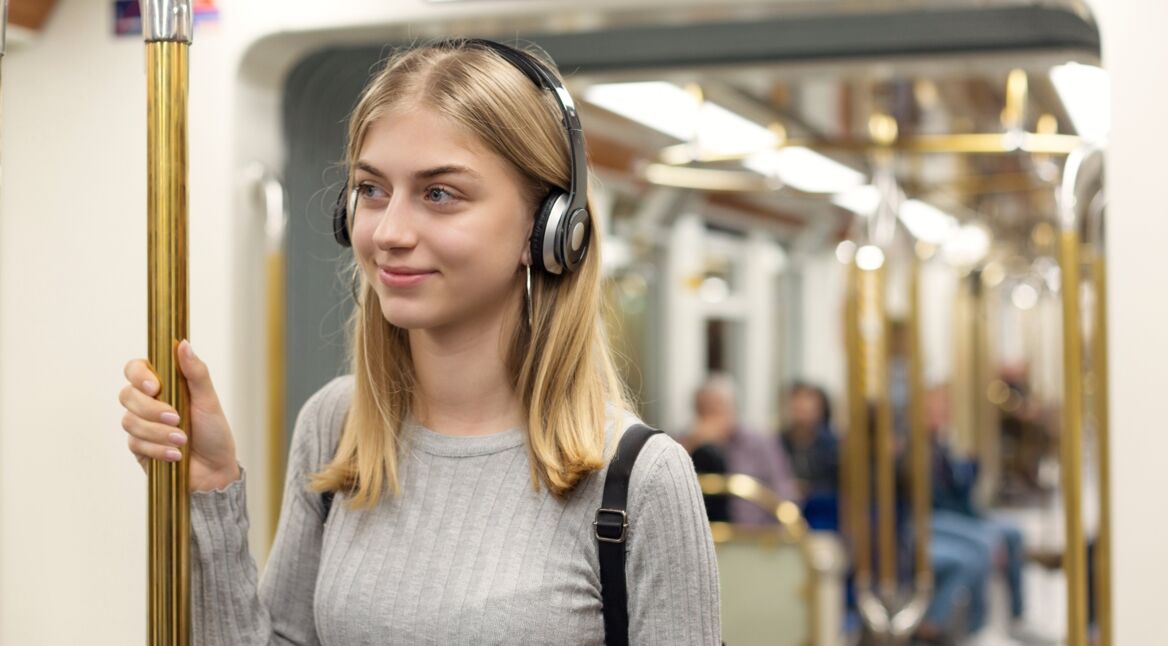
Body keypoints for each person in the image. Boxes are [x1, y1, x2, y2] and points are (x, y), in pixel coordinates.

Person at [117, 38, 720, 645]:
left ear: (545, 230)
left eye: (439, 194)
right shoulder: (337, 426)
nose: (389, 232)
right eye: (372, 190)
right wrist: (210, 489)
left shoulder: (638, 479)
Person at [680, 373, 800, 525]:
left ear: (733, 409)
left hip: (752, 537)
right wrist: (692, 444)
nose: (712, 419)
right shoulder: (684, 443)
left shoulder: (760, 443)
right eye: (704, 411)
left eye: (717, 409)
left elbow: (784, 494)